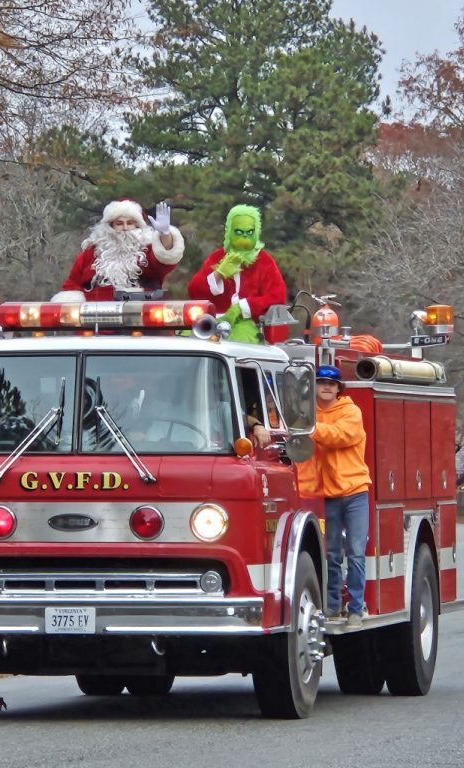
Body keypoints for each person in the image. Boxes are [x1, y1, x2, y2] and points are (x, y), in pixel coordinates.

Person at [308, 364, 372, 628]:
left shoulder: (351, 412)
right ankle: (333, 606)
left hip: (356, 492)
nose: (326, 387)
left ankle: (355, 609)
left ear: (338, 388)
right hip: (329, 494)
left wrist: (308, 429)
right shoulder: (308, 414)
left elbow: (339, 436)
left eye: (331, 384)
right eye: (322, 382)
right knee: (332, 554)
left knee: (356, 553)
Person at [187, 204, 286, 343]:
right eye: (239, 232)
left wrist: (243, 307)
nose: (244, 237)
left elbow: (278, 295)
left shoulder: (264, 261)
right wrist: (218, 274)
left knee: (242, 341)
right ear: (230, 231)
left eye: (249, 232)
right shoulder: (218, 257)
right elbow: (194, 291)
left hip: (248, 326)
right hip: (212, 323)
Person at [54, 199, 185, 302]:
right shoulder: (91, 252)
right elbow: (72, 284)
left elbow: (165, 261)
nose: (125, 228)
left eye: (130, 223)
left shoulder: (147, 249)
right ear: (110, 226)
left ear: (137, 225)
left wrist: (165, 234)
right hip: (94, 322)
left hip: (140, 319)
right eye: (119, 223)